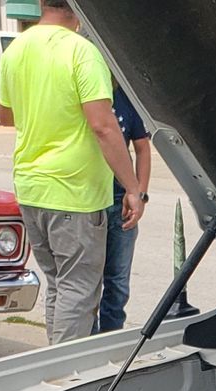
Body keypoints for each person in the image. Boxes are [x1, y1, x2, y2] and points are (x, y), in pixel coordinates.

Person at [0, 2, 151, 344]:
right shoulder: (82, 52)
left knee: (59, 286)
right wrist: (132, 188)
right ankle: (66, 371)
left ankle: (54, 360)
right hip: (74, 192)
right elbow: (103, 126)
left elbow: (5, 116)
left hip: (31, 188)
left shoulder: (16, 49)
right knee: (78, 291)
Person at [95, 85, 152, 333]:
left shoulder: (125, 98)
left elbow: (142, 148)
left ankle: (110, 339)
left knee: (118, 282)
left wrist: (140, 193)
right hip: (87, 199)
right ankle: (87, 341)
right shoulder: (84, 93)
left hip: (121, 200)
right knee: (87, 281)